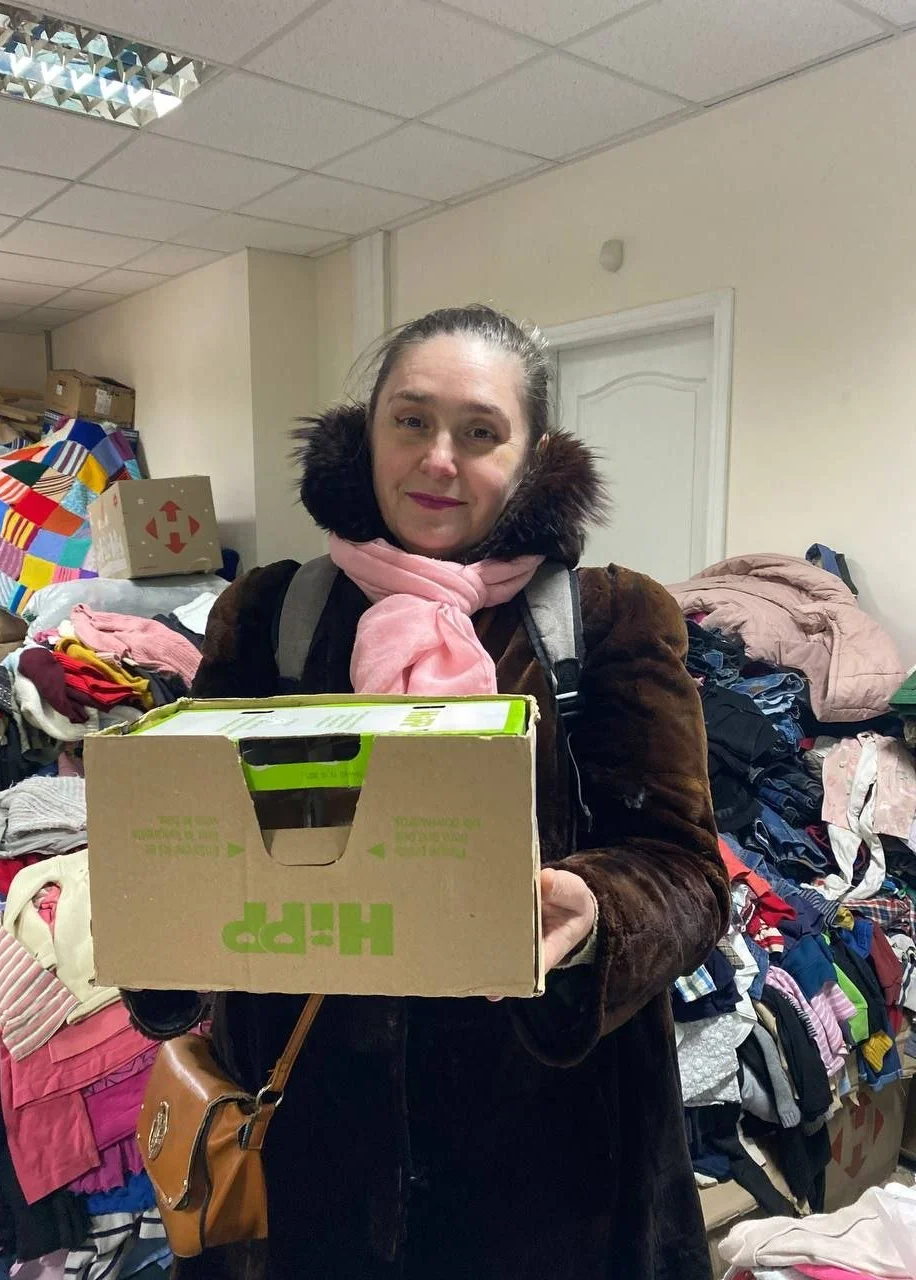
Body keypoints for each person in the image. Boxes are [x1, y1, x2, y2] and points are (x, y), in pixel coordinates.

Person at [124, 305, 730, 1280]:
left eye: (481, 432)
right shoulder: (276, 617)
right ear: (367, 434)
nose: (438, 459)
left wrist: (596, 911)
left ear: (532, 456)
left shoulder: (607, 620)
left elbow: (688, 873)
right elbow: (202, 846)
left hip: (552, 1173)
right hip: (307, 1162)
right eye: (410, 421)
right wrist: (154, 906)